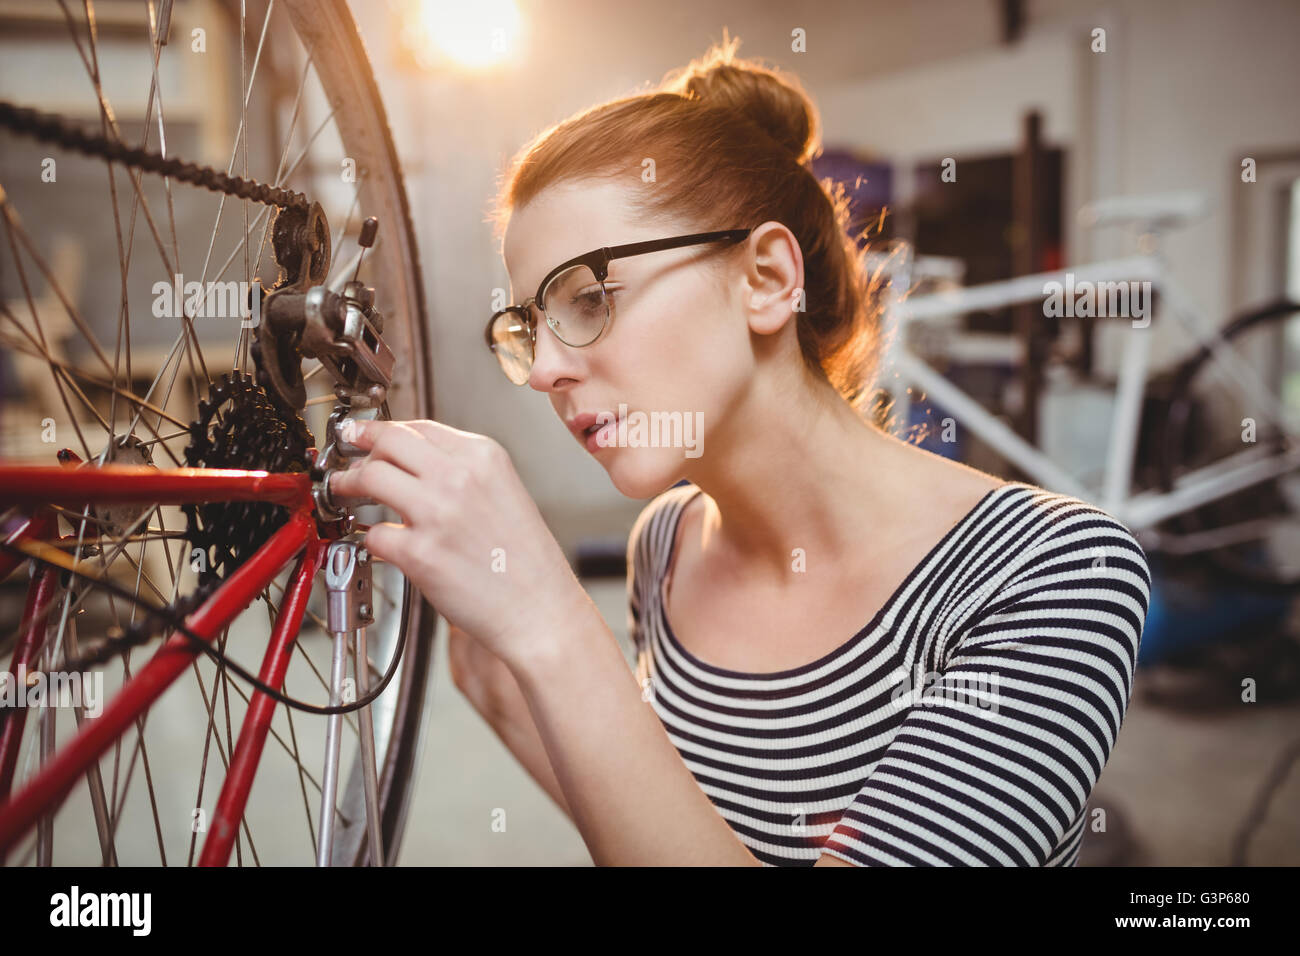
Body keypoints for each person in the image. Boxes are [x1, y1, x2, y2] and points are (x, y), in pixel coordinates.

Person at [329, 34, 1151, 866]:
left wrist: (557, 628)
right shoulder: (669, 542)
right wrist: (499, 677)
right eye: (528, 328)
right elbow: (679, 833)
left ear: (764, 278)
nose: (542, 370)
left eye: (587, 297)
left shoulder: (1056, 572)